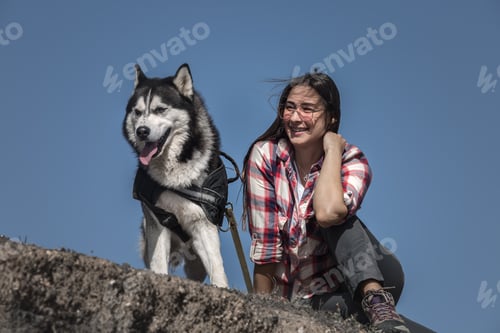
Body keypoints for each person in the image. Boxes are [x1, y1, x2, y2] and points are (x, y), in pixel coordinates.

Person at [242, 72, 435, 333]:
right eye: (289, 107)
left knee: (335, 215)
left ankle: (377, 301)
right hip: (316, 302)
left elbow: (329, 213)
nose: (295, 118)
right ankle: (382, 320)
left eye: (307, 109)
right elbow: (266, 248)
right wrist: (260, 317)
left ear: (331, 117)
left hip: (367, 279)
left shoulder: (352, 159)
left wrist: (332, 151)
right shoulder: (266, 156)